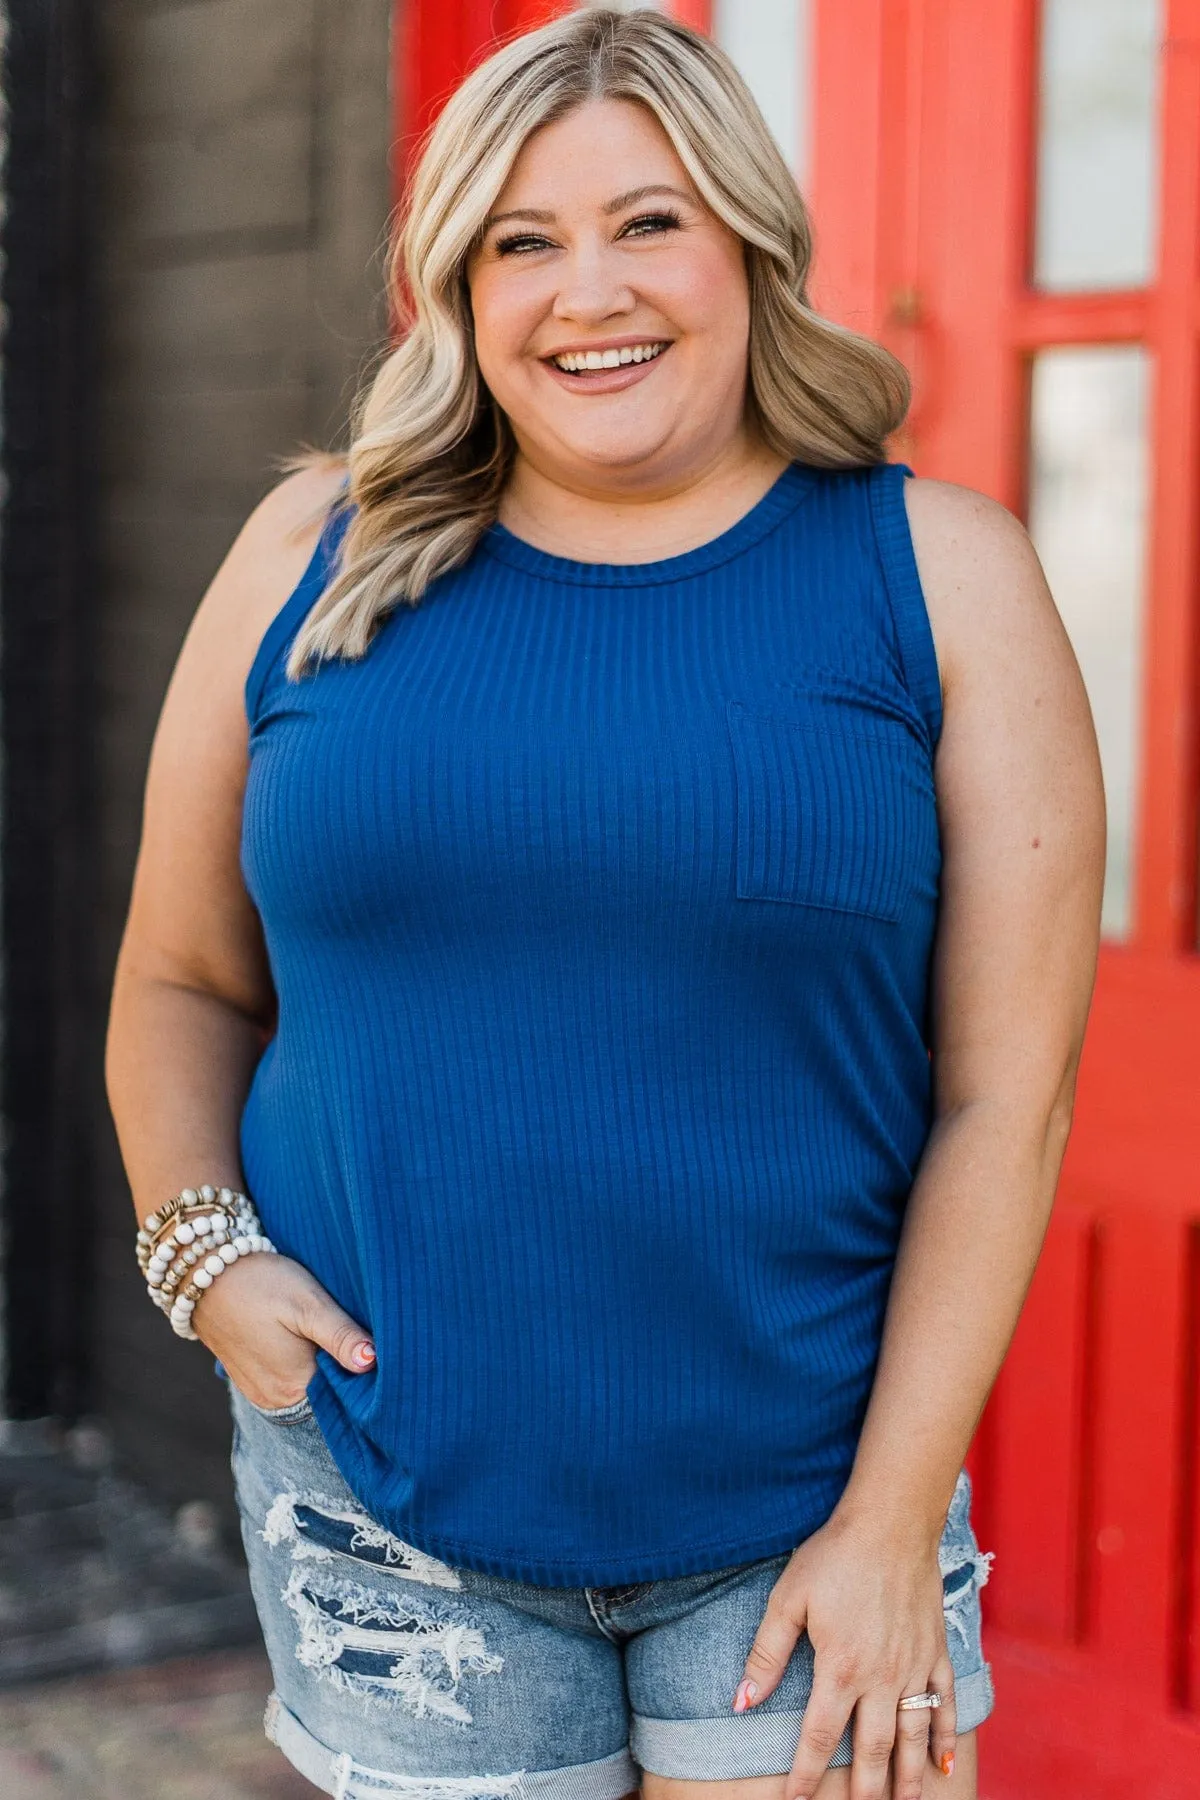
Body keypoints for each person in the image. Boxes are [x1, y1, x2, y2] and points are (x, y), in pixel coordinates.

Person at [105, 10, 1104, 1800]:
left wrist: (888, 1524)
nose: (591, 291)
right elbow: (181, 979)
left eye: (650, 222)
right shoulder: (305, 563)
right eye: (523, 238)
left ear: (748, 245)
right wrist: (203, 1257)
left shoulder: (938, 577)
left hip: (804, 1510)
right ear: (456, 285)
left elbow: (1000, 1097)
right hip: (387, 1509)